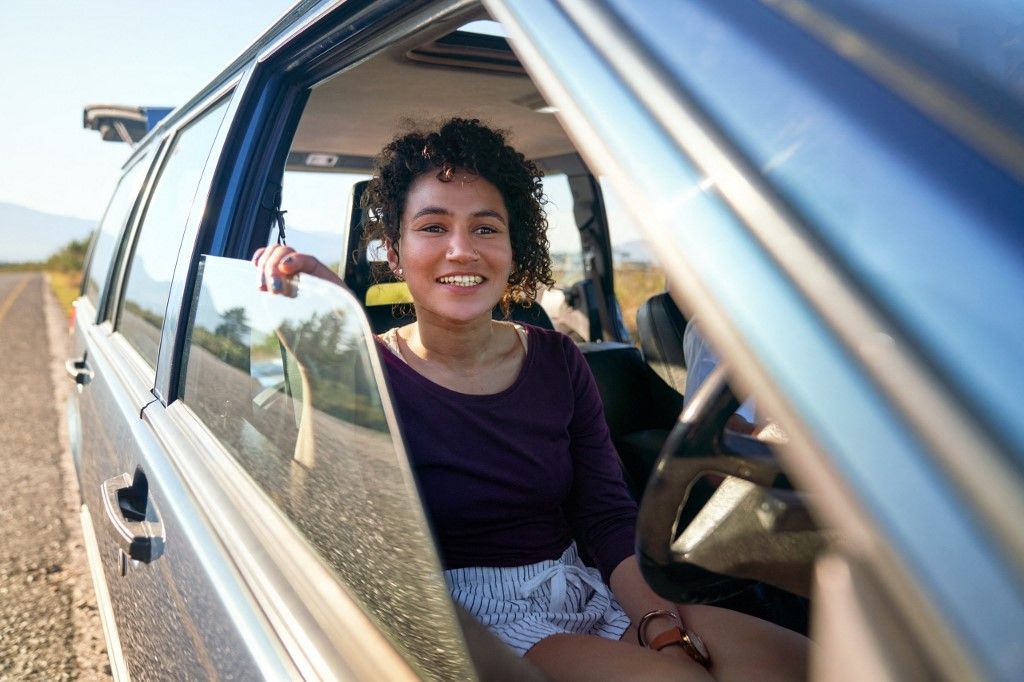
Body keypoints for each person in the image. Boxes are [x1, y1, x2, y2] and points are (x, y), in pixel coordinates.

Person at [254, 118, 807, 680]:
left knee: (807, 663)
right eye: (433, 227)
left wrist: (660, 624)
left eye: (487, 229)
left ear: (514, 247)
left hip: (587, 588)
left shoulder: (560, 359)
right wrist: (331, 364)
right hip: (471, 619)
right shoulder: (367, 369)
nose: (462, 250)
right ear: (395, 253)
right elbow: (325, 524)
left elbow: (607, 515)